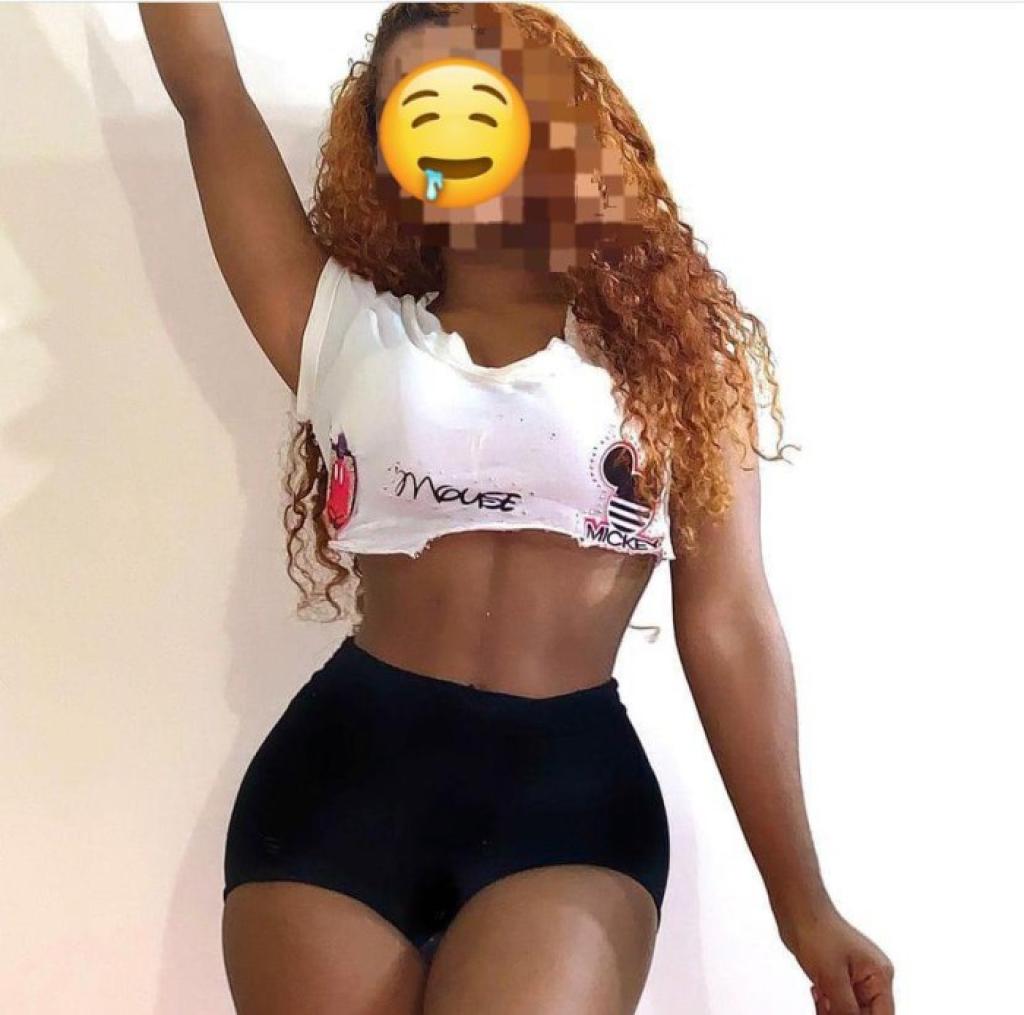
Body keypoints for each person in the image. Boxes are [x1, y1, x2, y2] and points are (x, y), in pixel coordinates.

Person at [140, 3, 895, 1013]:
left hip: (568, 806)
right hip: (339, 786)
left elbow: (728, 621)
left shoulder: (676, 366)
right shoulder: (339, 326)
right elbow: (207, 92)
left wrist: (804, 905)